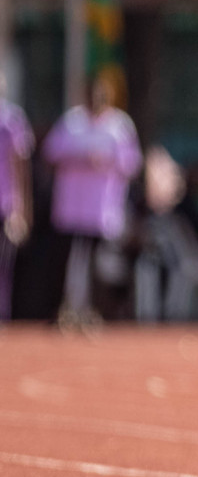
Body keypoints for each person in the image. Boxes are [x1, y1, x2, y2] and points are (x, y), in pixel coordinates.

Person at [42, 71, 142, 326]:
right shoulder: (71, 121)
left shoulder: (120, 125)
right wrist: (82, 157)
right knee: (68, 263)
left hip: (101, 212)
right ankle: (66, 311)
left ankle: (93, 311)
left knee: (98, 265)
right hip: (71, 210)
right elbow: (51, 153)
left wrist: (106, 160)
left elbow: (132, 163)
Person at [0, 71, 34, 322]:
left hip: (5, 204)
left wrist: (23, 209)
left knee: (3, 265)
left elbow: (21, 166)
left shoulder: (11, 119)